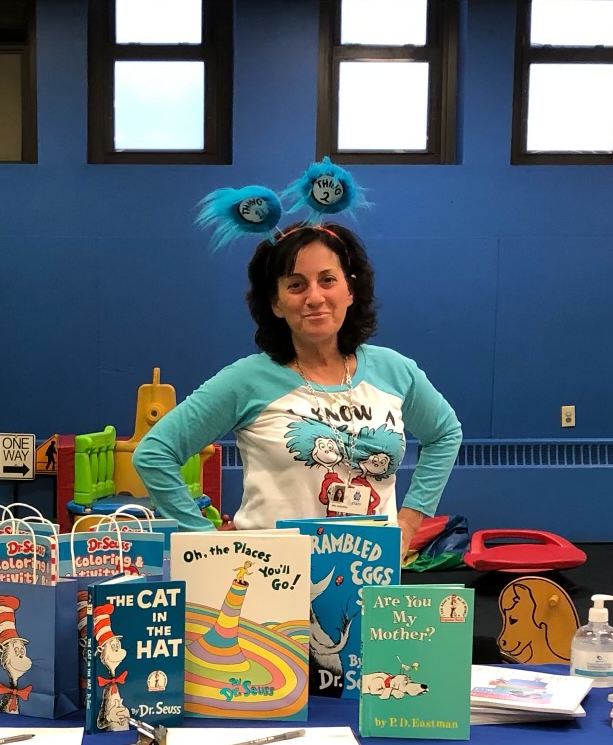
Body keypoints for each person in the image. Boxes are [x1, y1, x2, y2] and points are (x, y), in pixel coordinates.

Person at [133, 223, 461, 539]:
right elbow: (154, 454)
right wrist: (205, 540)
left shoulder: (395, 370)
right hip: (269, 581)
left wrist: (410, 520)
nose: (314, 297)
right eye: (296, 284)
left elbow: (445, 434)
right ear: (276, 303)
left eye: (328, 280)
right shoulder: (246, 380)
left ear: (350, 290)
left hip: (371, 580)